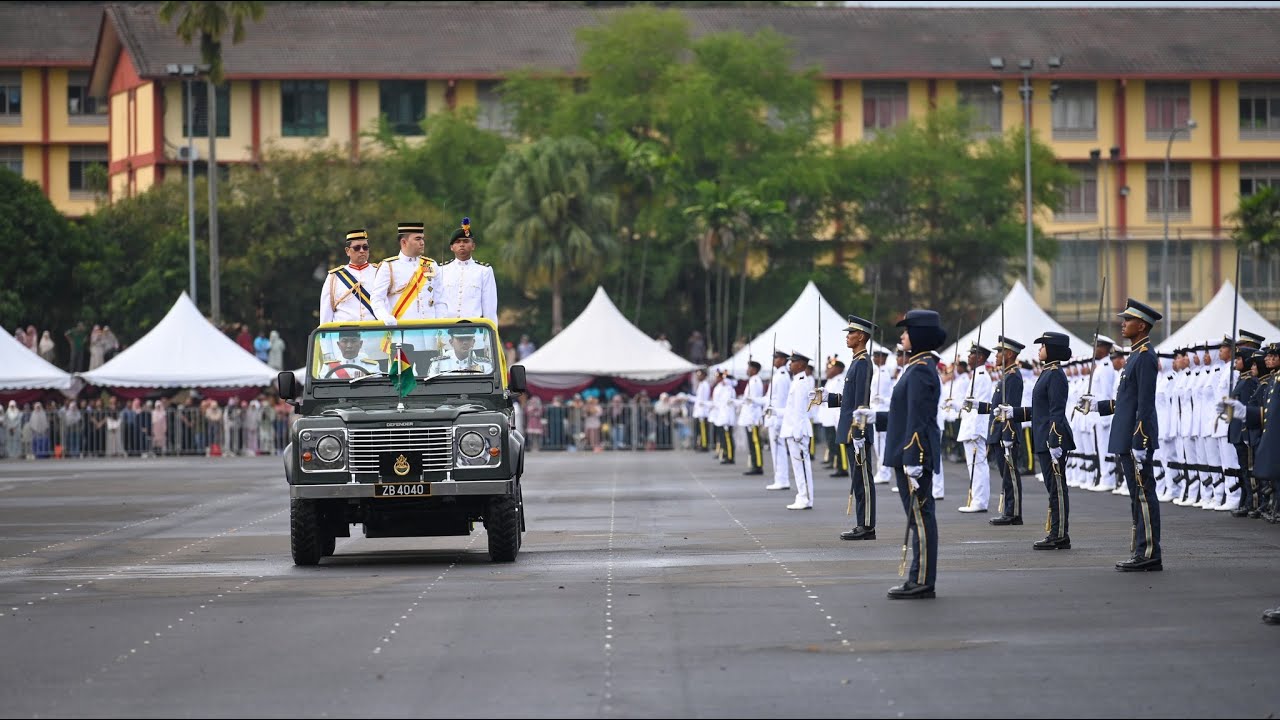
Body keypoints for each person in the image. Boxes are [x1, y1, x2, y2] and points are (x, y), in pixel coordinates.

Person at [853, 309, 945, 599]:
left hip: (913, 456)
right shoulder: (917, 366)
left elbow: (918, 419)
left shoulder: (920, 369)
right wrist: (875, 418)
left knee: (920, 517)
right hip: (907, 454)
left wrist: (914, 459)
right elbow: (902, 414)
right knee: (917, 516)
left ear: (918, 336)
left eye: (907, 331)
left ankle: (922, 580)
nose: (902, 336)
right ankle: (918, 576)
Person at [1079, 298, 1164, 572]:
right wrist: (1097, 406)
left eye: (1127, 321)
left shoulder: (1146, 357)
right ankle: (1141, 549)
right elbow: (1126, 402)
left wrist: (1140, 440)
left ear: (1141, 325)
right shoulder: (1134, 356)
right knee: (1135, 495)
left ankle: (1150, 552)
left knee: (1143, 495)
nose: (1122, 325)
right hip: (1126, 435)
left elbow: (1145, 404)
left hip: (1136, 438)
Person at [993, 332, 1076, 550]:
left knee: (1057, 488)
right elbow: (1040, 410)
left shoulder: (1055, 374)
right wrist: (1014, 412)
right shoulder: (1048, 373)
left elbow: (1057, 412)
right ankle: (1055, 531)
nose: (1039, 350)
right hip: (1044, 438)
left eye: (1043, 346)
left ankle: (1059, 534)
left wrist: (1055, 441)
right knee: (1053, 488)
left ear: (1053, 350)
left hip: (1051, 440)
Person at [969, 336, 1026, 527]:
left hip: (1006, 433)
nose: (996, 356)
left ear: (1009, 354)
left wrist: (1008, 435)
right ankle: (1009, 510)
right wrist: (978, 405)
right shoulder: (1005, 375)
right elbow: (996, 406)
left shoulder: (1013, 377)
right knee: (1006, 474)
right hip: (998, 432)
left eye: (1000, 352)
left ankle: (1013, 513)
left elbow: (1010, 409)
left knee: (1010, 474)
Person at [833, 315, 877, 541]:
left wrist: (859, 432)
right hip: (851, 430)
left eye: (851, 333)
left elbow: (862, 401)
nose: (847, 337)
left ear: (861, 336)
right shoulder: (856, 362)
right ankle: (862, 523)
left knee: (864, 480)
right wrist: (828, 398)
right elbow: (850, 398)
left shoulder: (864, 363)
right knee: (857, 479)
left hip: (856, 431)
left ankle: (868, 526)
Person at [370, 221, 442, 325]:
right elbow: (377, 299)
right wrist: (385, 317)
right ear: (404, 242)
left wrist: (440, 327)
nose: (422, 242)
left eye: (422, 238)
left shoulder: (431, 265)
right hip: (403, 333)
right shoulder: (389, 266)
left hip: (429, 333)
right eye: (417, 239)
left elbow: (440, 300)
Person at [954, 342, 993, 512]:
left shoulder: (982, 375)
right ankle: (977, 499)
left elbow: (981, 406)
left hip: (975, 428)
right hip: (970, 426)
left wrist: (976, 431)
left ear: (981, 357)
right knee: (974, 465)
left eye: (972, 354)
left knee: (978, 465)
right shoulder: (976, 374)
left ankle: (979, 501)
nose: (968, 357)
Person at [434, 217, 497, 322]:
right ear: (451, 247)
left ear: (473, 246)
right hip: (447, 328)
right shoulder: (441, 270)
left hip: (474, 329)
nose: (462, 245)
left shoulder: (484, 271)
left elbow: (489, 307)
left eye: (466, 241)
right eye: (458, 242)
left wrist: (491, 332)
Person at [319, 229, 381, 325]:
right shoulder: (334, 277)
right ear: (347, 251)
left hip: (375, 336)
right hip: (345, 336)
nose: (362, 251)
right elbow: (326, 314)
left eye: (365, 247)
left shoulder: (379, 272)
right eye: (357, 248)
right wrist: (326, 339)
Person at [780, 350, 816, 510]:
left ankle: (806, 497)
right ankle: (802, 495)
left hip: (798, 431)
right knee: (797, 466)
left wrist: (797, 432)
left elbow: (801, 410)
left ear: (801, 364)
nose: (790, 364)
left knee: (802, 466)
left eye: (793, 361)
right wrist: (775, 411)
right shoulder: (796, 381)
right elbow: (791, 409)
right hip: (792, 430)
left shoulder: (802, 382)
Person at [764, 350, 793, 491]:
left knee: (779, 450)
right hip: (774, 417)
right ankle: (779, 478)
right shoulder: (778, 375)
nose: (774, 360)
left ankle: (782, 479)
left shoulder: (781, 377)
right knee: (776, 450)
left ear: (783, 360)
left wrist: (778, 420)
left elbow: (781, 401)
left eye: (776, 358)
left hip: (777, 418)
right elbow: (770, 398)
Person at [736, 360, 766, 476]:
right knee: (752, 443)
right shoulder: (752, 381)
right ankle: (755, 464)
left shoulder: (755, 381)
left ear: (754, 370)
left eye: (749, 368)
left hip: (753, 417)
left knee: (755, 442)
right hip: (749, 416)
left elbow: (754, 401)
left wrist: (753, 419)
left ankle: (758, 465)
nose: (747, 370)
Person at [427, 327, 495, 374]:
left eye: (468, 339)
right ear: (451, 342)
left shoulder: (485, 366)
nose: (465, 342)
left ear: (473, 342)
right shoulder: (438, 365)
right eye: (460, 339)